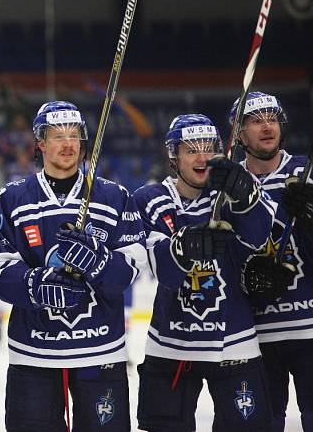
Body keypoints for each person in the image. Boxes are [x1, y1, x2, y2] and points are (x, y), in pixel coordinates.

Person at [0, 101, 149, 431]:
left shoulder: (113, 196)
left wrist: (99, 261)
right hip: (33, 355)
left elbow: (133, 267)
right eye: (58, 136)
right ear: (40, 143)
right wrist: (35, 284)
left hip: (100, 353)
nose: (68, 144)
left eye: (74, 135)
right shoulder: (13, 198)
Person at [132, 114, 276, 431]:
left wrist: (245, 194)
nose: (202, 157)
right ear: (173, 156)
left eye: (208, 147)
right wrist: (184, 247)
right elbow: (164, 271)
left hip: (234, 340)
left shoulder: (236, 191)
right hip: (171, 345)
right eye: (190, 149)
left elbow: (260, 236)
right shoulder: (149, 200)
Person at [231, 92, 313, 431]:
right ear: (239, 134)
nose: (267, 126)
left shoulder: (307, 171)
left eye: (272, 117)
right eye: (255, 120)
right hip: (254, 335)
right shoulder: (229, 183)